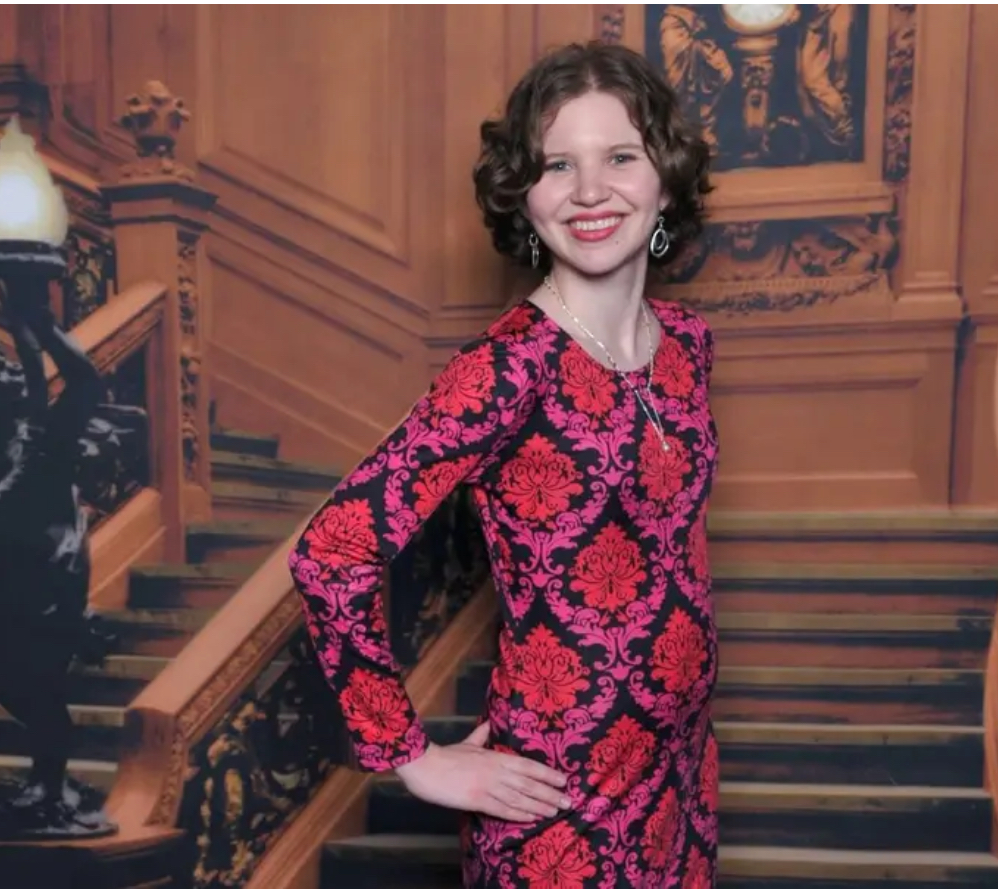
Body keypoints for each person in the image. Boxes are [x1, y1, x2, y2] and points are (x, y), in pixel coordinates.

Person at [289, 40, 717, 887]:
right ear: (525, 196)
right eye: (557, 164)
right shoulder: (509, 365)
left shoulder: (691, 348)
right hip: (560, 801)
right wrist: (410, 754)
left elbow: (672, 551)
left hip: (683, 774)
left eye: (619, 157)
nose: (590, 190)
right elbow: (330, 551)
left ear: (664, 176)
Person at [0, 282, 118, 839]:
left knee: (40, 693)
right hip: (11, 582)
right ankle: (47, 787)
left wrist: (41, 328)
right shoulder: (19, 447)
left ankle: (50, 787)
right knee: (22, 691)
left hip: (44, 590)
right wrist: (25, 331)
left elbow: (85, 383)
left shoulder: (41, 444)